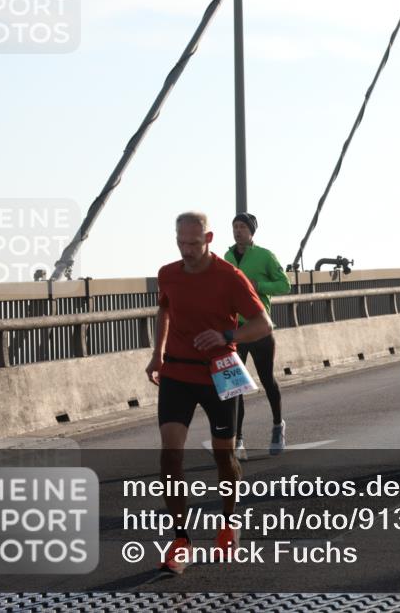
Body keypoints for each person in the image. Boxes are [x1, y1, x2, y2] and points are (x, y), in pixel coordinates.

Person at [146, 211, 274, 573]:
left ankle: (229, 523)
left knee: (223, 457)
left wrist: (227, 336)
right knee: (170, 456)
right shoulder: (168, 274)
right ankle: (181, 540)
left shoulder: (229, 278)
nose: (186, 250)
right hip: (177, 373)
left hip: (220, 374)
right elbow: (164, 311)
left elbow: (263, 324)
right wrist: (157, 355)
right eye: (181, 242)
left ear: (209, 239)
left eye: (193, 243)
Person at [223, 213, 291, 458]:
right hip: (236, 330)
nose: (237, 231)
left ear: (251, 231)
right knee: (235, 387)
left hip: (260, 327)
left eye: (242, 227)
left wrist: (259, 286)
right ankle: (238, 440)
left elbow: (285, 285)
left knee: (266, 379)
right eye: (235, 227)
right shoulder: (227, 257)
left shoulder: (264, 256)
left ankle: (277, 426)